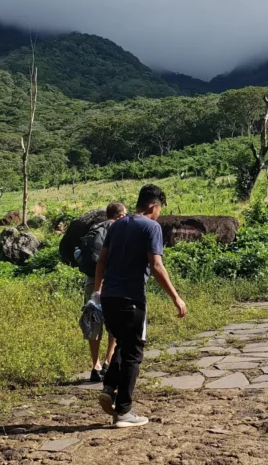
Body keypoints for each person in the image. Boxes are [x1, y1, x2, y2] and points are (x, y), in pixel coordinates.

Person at [94, 183, 187, 428]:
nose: (159, 214)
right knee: (134, 352)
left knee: (123, 344)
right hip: (131, 299)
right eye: (159, 210)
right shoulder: (151, 227)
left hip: (109, 298)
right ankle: (123, 412)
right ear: (154, 206)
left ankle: (110, 387)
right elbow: (156, 266)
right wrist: (176, 297)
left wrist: (97, 291)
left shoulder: (115, 226)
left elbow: (101, 261)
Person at [76, 202, 126, 381]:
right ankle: (108, 360)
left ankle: (95, 365)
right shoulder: (119, 229)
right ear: (120, 216)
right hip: (112, 281)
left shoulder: (95, 229)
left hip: (91, 280)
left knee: (94, 320)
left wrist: (96, 288)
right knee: (114, 321)